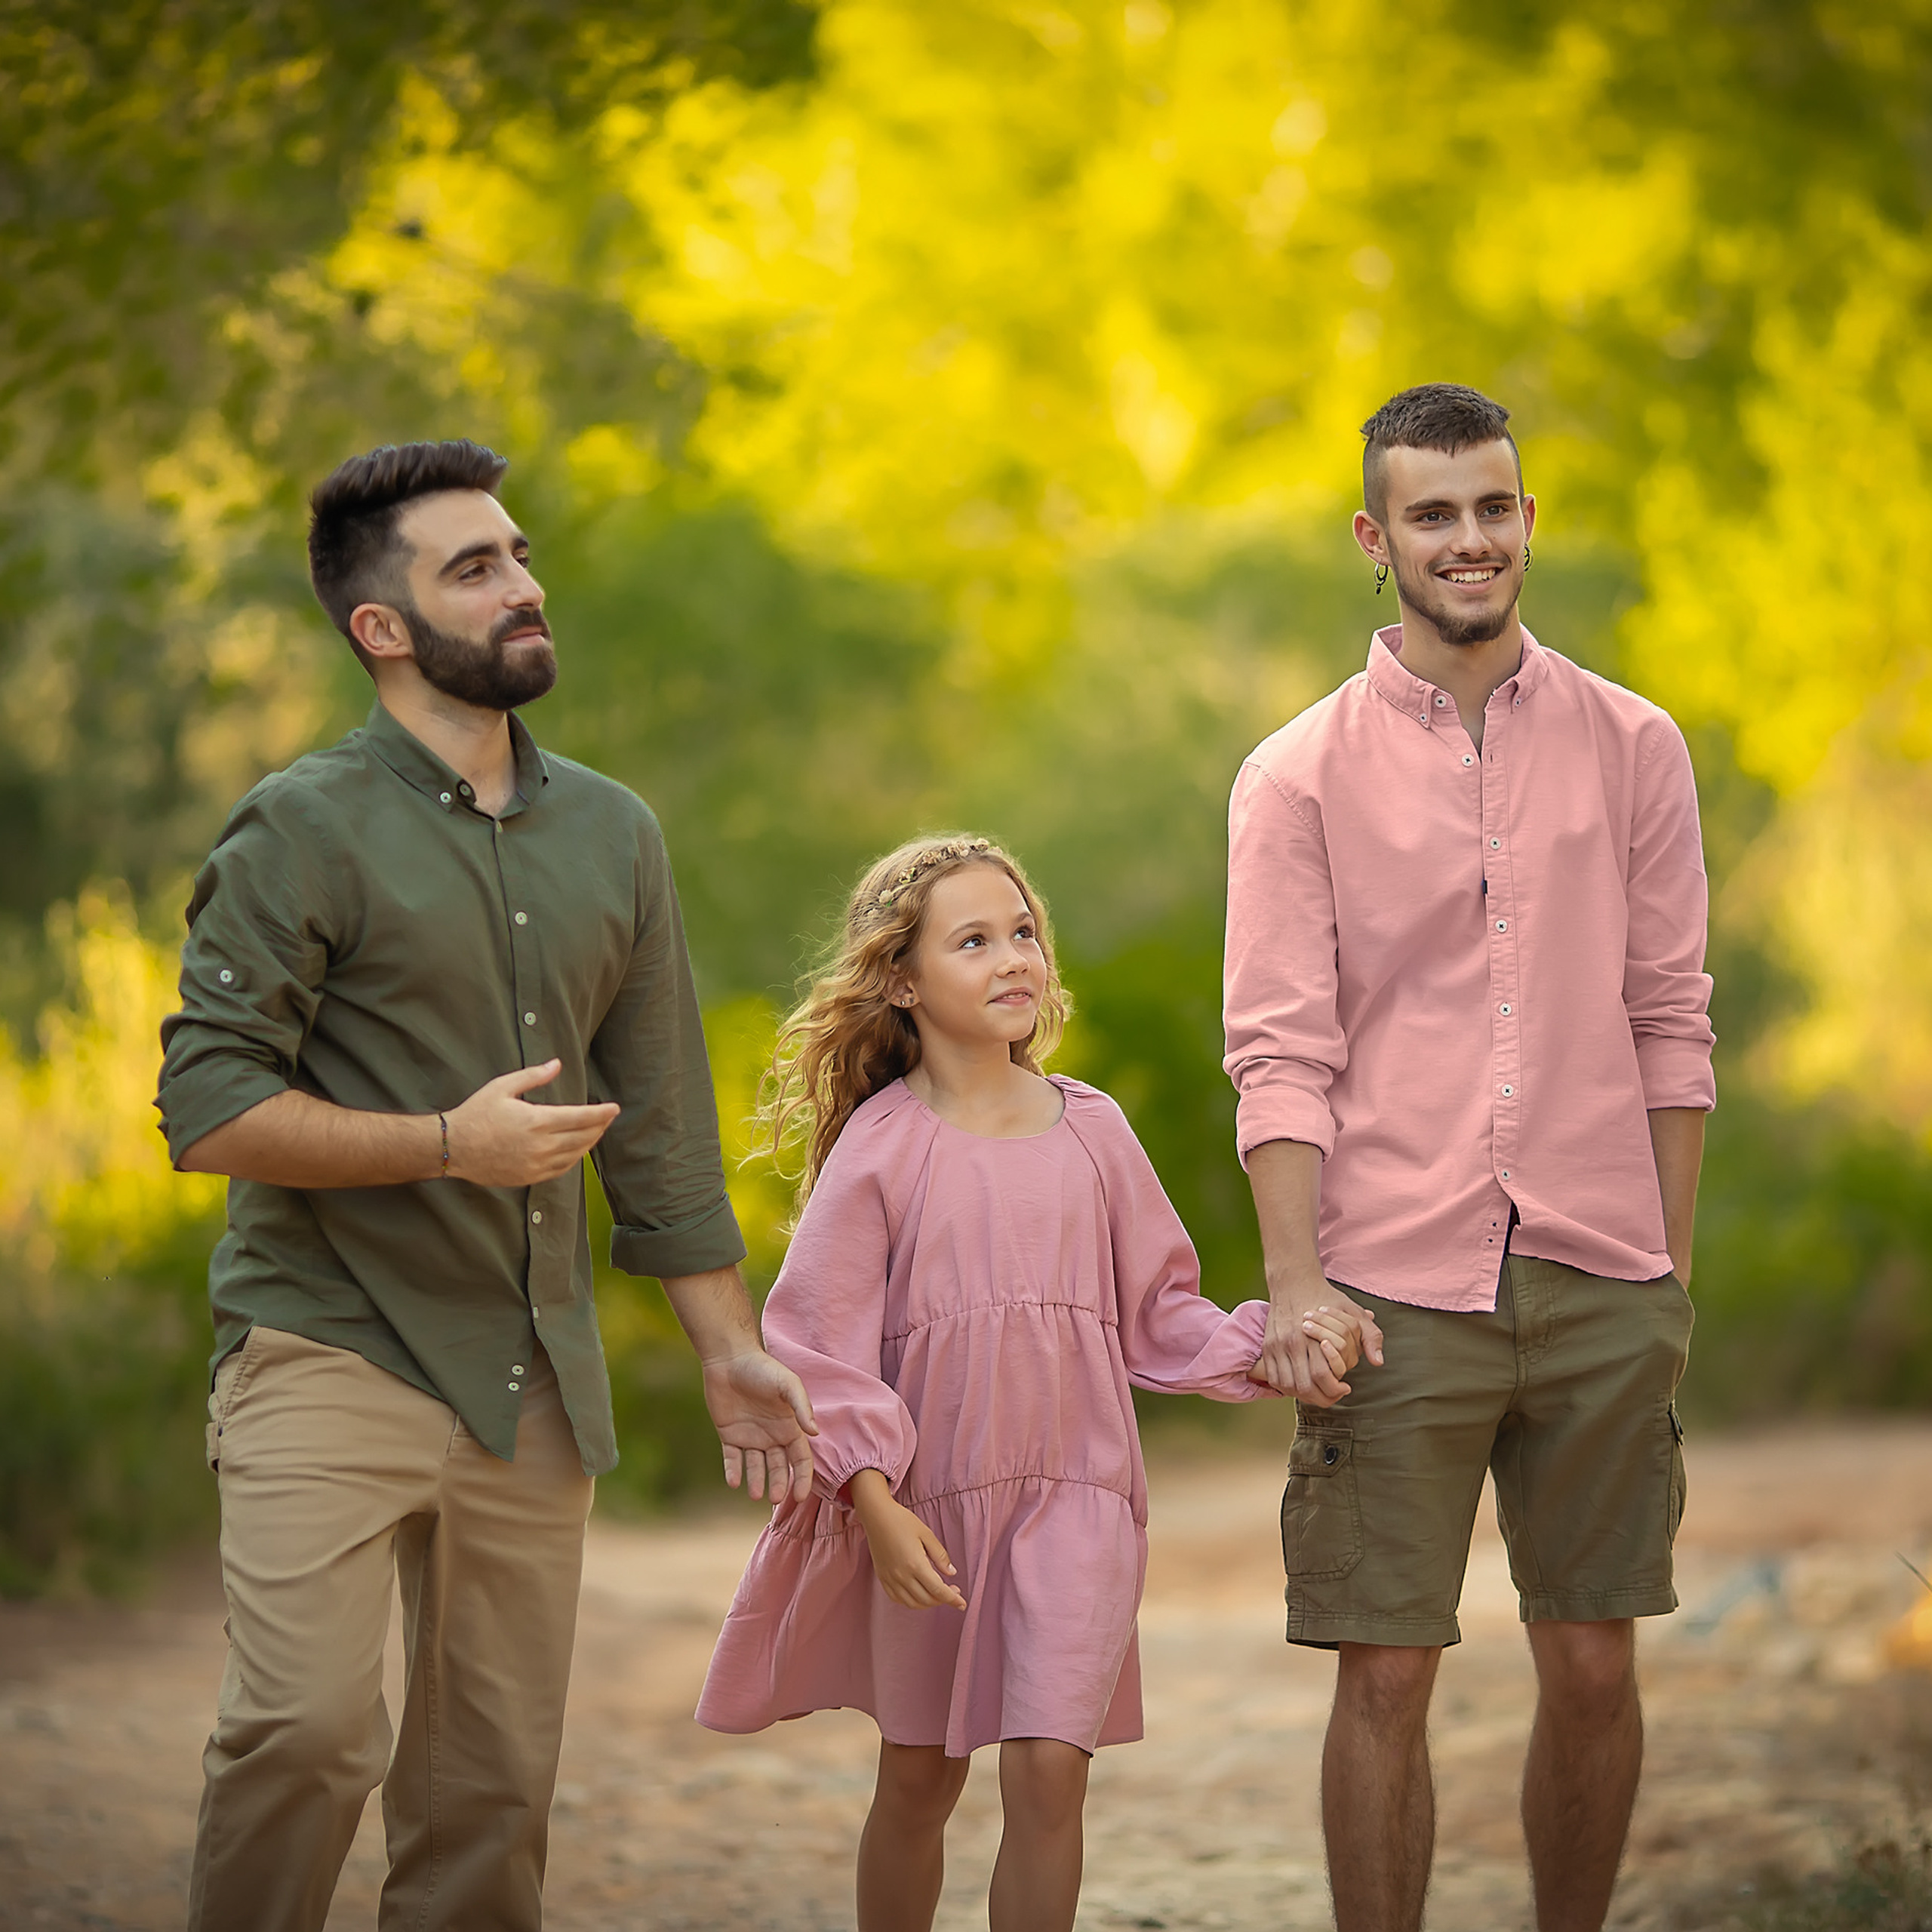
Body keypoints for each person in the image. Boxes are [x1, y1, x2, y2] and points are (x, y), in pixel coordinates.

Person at [155, 438, 819, 1932]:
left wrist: (727, 1347)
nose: (523, 585)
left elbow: (657, 1129)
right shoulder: (301, 824)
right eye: (474, 568)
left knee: (487, 1799)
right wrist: (442, 1143)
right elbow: (206, 1105)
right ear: (379, 629)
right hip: (328, 1339)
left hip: (532, 1375)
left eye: (517, 555)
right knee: (304, 1732)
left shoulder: (613, 830)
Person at [1224, 382, 1714, 1932]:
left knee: (1590, 1655)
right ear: (1375, 538)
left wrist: (1665, 1276)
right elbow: (1279, 1047)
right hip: (1388, 1283)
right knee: (1386, 1666)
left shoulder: (1634, 743)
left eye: (1492, 506)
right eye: (1431, 513)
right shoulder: (1292, 774)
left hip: (1597, 1267)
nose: (1468, 538)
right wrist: (1294, 1281)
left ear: (1523, 518)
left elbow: (1669, 1021)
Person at [695, 835, 1366, 1932]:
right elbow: (819, 1348)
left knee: (1053, 1771)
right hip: (930, 1516)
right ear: (903, 982)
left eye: (1023, 934)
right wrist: (874, 1506)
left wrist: (1275, 1346)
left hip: (1080, 1500)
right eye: (974, 941)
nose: (1013, 959)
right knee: (920, 1781)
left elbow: (1160, 1312)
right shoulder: (883, 1144)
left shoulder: (1095, 1128)